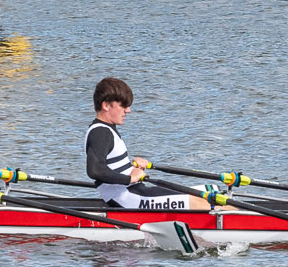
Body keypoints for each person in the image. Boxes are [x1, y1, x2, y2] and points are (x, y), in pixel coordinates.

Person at [86, 77, 208, 211]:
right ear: (106, 105)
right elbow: (95, 170)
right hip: (127, 198)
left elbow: (111, 166)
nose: (128, 110)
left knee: (209, 191)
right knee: (202, 202)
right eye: (123, 106)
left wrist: (131, 168)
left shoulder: (106, 129)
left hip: (134, 191)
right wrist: (130, 178)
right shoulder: (100, 133)